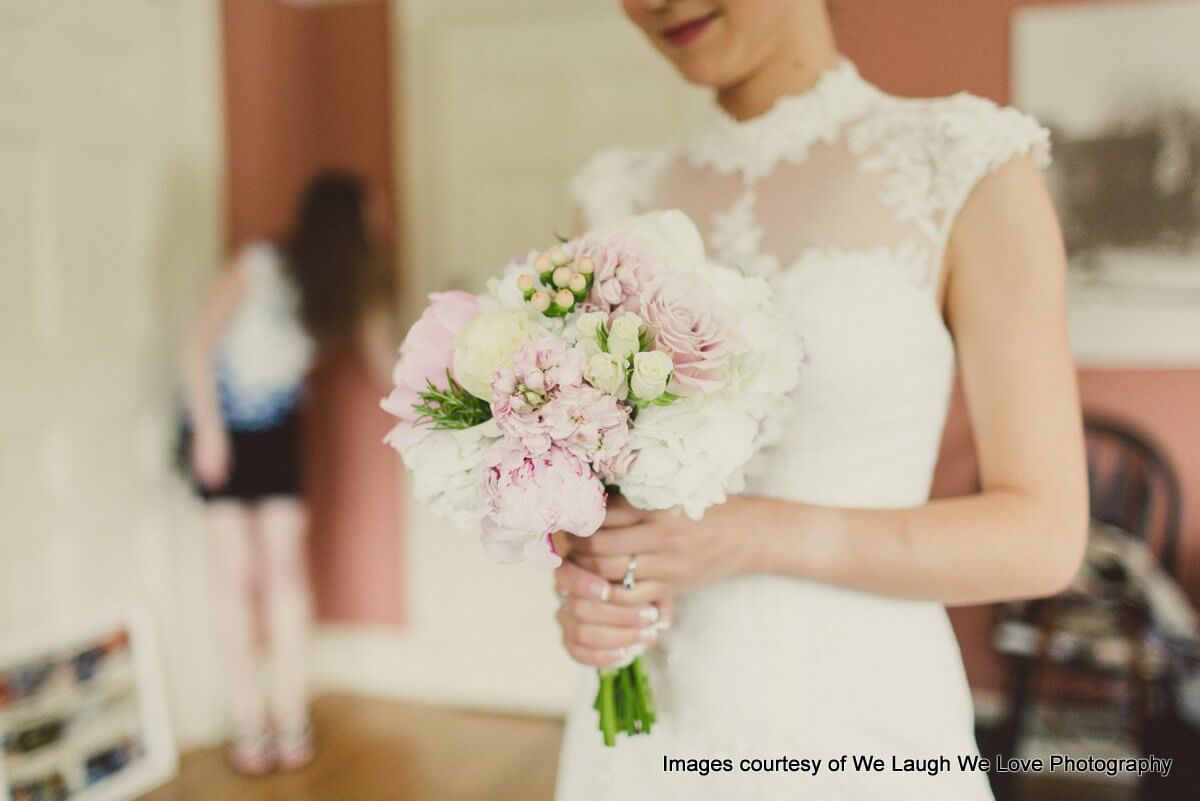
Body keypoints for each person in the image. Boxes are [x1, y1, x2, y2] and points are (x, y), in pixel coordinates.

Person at [551, 2, 1088, 798]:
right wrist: (591, 589)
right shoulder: (612, 196)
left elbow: (1044, 538)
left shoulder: (965, 165)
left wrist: (749, 533)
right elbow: (594, 501)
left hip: (859, 723)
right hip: (644, 735)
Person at [182, 172, 395, 774]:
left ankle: (290, 715)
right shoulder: (258, 264)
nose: (382, 223)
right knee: (236, 574)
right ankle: (248, 722)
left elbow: (389, 367)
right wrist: (208, 431)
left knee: (284, 572)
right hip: (221, 421)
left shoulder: (350, 289)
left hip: (279, 428)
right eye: (372, 213)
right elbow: (199, 344)